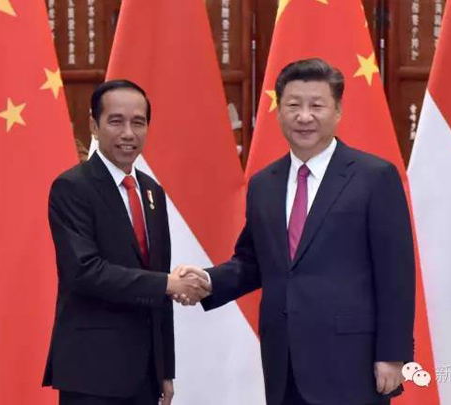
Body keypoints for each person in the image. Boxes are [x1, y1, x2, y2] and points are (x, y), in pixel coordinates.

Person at [176, 59, 415, 405]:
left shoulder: (374, 177)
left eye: (316, 105)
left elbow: (396, 274)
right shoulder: (264, 184)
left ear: (338, 111)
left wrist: (392, 355)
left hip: (352, 361)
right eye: (293, 105)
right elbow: (253, 262)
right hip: (283, 360)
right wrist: (208, 281)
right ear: (279, 112)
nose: (304, 116)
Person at [42, 79, 209, 405]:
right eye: (116, 121)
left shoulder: (151, 192)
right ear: (94, 125)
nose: (128, 133)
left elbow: (159, 280)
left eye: (138, 123)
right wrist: (168, 283)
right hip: (92, 372)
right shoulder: (72, 188)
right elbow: (85, 271)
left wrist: (165, 369)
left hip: (145, 374)